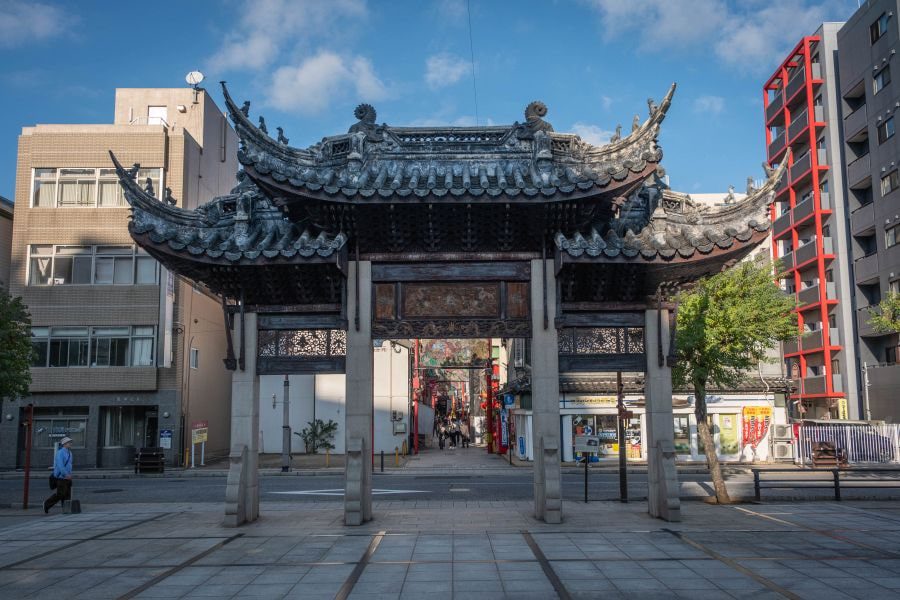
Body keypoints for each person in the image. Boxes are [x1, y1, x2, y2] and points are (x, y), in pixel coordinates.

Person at [44, 436, 73, 513]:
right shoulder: (60, 453)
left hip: (68, 477)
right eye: (69, 442)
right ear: (64, 444)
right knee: (60, 494)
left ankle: (66, 509)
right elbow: (60, 465)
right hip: (61, 477)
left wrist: (69, 475)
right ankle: (47, 504)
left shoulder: (69, 453)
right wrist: (65, 474)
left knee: (67, 494)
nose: (70, 443)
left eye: (70, 442)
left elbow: (69, 465)